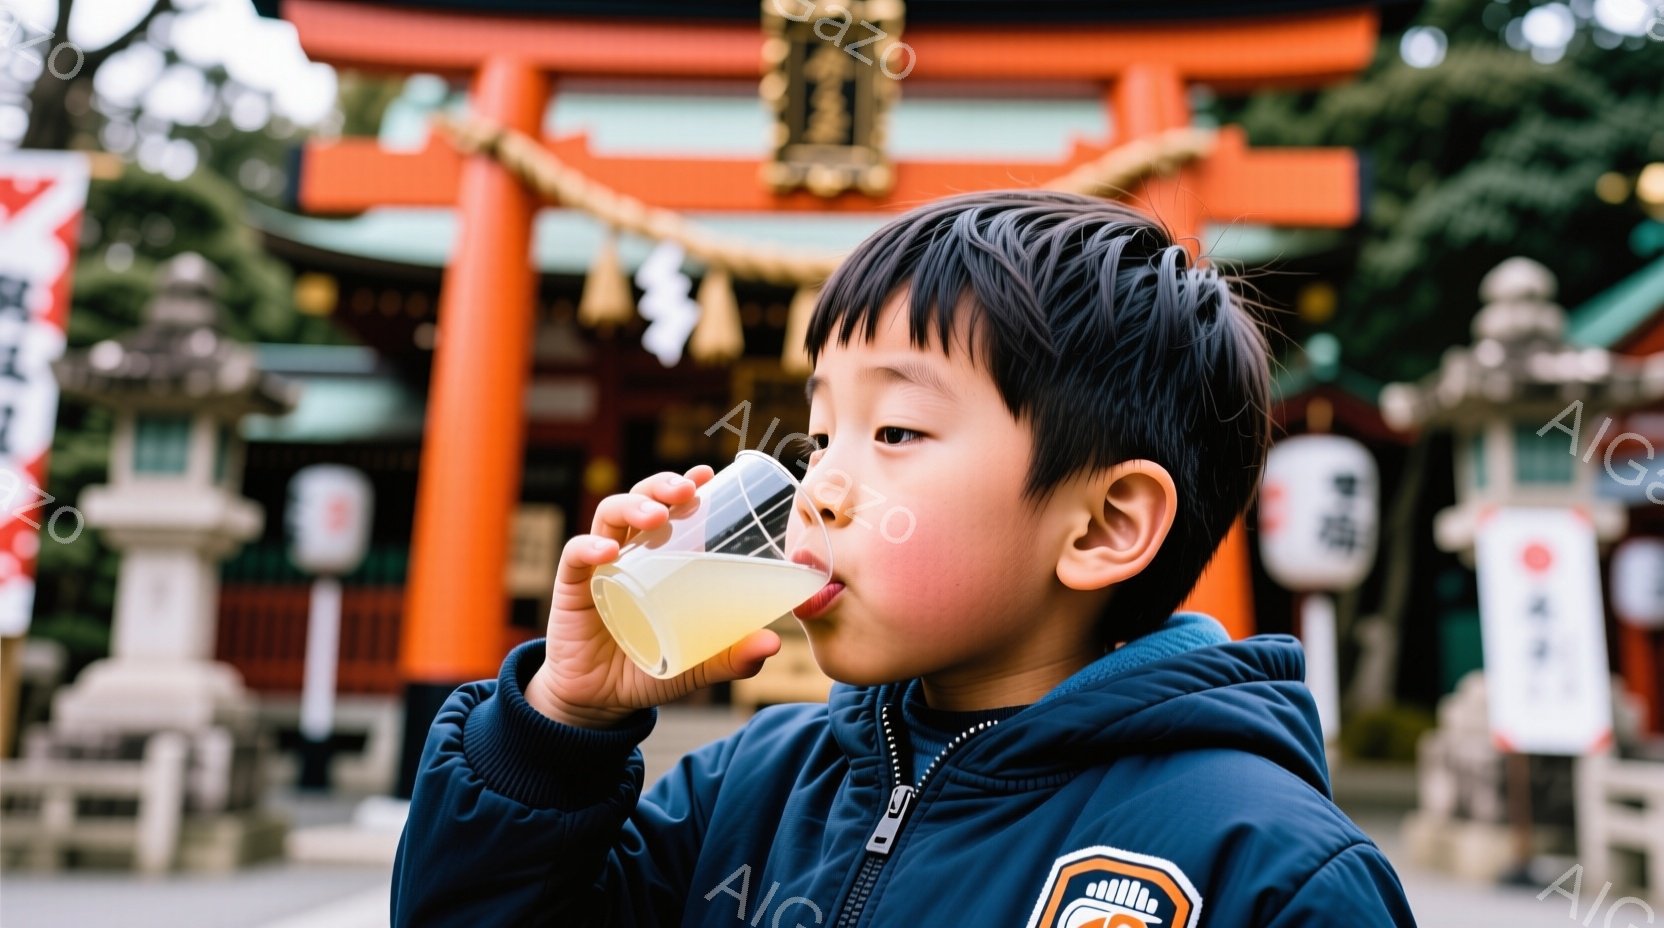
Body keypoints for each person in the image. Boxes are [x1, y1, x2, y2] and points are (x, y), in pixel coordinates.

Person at [392, 191, 1418, 928]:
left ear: (1103, 526)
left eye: (896, 433)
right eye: (822, 431)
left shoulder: (1264, 867)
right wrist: (557, 731)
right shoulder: (746, 792)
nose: (822, 486)